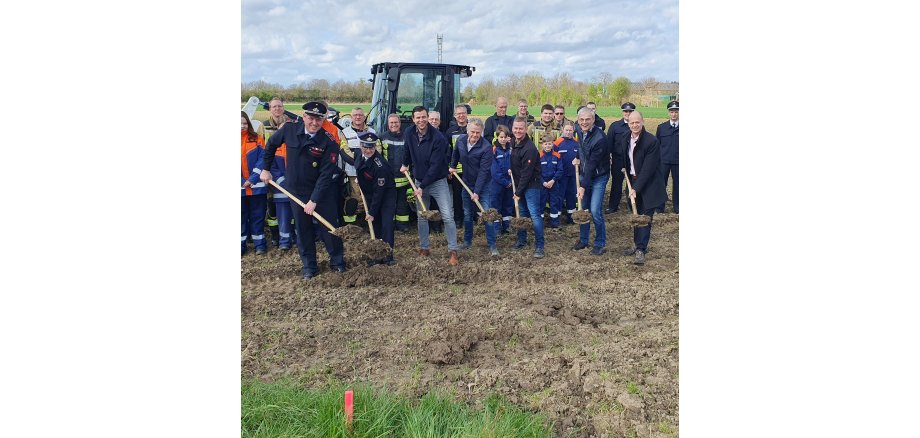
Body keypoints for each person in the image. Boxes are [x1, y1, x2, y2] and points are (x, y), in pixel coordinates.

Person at [259, 101, 347, 279]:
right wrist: (265, 168)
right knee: (302, 229)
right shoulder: (289, 130)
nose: (314, 123)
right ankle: (309, 266)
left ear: (324, 120)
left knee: (329, 228)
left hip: (322, 193)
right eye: (311, 118)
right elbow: (271, 146)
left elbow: (325, 174)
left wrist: (314, 201)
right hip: (296, 192)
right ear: (304, 117)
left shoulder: (329, 141)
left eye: (319, 120)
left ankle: (337, 261)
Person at [400, 106, 460, 266]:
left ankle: (453, 250)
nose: (421, 120)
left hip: (437, 182)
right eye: (418, 117)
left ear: (427, 118)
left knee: (447, 215)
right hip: (419, 180)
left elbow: (435, 166)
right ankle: (424, 247)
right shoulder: (409, 133)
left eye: (423, 117)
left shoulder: (438, 138)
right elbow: (407, 150)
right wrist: (405, 164)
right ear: (413, 119)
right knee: (422, 216)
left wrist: (422, 186)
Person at [341, 132, 397, 266]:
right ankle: (377, 254)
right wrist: (362, 181)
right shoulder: (359, 154)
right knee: (375, 225)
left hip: (385, 196)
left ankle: (388, 256)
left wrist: (371, 212)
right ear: (360, 146)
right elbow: (359, 168)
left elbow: (379, 192)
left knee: (386, 225)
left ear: (375, 147)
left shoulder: (380, 166)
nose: (368, 150)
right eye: (365, 147)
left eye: (371, 148)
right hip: (371, 194)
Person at [623, 110, 667, 265]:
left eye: (637, 122)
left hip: (648, 185)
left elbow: (648, 169)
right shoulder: (626, 139)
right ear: (628, 123)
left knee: (645, 218)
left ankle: (641, 249)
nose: (635, 125)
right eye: (632, 123)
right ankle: (637, 244)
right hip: (632, 183)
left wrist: (636, 188)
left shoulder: (651, 141)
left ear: (642, 122)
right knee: (636, 216)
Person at [450, 118, 497, 254]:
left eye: (478, 132)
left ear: (481, 132)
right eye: (473, 132)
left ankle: (492, 245)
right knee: (467, 214)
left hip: (483, 186)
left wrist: (477, 191)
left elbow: (484, 172)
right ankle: (467, 241)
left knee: (486, 214)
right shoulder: (461, 141)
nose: (475, 135)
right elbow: (455, 153)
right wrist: (453, 166)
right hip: (467, 183)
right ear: (467, 130)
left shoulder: (486, 147)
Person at [572, 107, 609, 256]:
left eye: (588, 119)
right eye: (582, 120)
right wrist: (577, 157)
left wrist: (583, 186)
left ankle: (600, 243)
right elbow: (581, 146)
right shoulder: (579, 130)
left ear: (593, 120)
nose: (584, 122)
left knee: (595, 211)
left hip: (599, 176)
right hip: (584, 173)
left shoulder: (600, 138)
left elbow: (593, 165)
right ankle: (584, 239)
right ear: (578, 120)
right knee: (584, 209)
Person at [510, 117, 545, 258]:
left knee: (535, 215)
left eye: (521, 128)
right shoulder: (513, 142)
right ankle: (522, 240)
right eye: (516, 128)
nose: (518, 131)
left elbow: (527, 173)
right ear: (513, 129)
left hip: (531, 186)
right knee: (522, 214)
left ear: (526, 129)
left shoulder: (529, 148)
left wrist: (518, 193)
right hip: (520, 184)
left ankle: (539, 246)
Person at [261, 97, 293, 246]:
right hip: (272, 174)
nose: (277, 109)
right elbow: (263, 151)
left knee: (292, 209)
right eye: (274, 106)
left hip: (290, 177)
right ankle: (277, 236)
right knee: (272, 207)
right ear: (269, 108)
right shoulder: (264, 126)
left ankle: (291, 235)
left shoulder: (290, 124)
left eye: (280, 106)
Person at [339, 107, 376, 225]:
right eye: (355, 115)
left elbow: (377, 150)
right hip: (352, 172)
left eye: (360, 115)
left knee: (367, 197)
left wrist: (366, 164)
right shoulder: (345, 132)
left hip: (369, 171)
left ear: (364, 117)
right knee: (353, 198)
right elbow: (344, 150)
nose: (358, 117)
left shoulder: (372, 131)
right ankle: (352, 224)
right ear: (351, 117)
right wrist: (357, 164)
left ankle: (366, 222)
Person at [241, 111, 268, 256]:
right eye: (239, 123)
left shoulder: (257, 139)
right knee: (240, 217)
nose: (242, 126)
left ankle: (260, 244)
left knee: (258, 216)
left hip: (256, 187)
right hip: (240, 188)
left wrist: (252, 179)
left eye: (245, 123)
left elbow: (263, 159)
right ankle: (240, 245)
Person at [379, 113, 411, 231]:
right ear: (388, 124)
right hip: (389, 178)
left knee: (402, 203)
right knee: (389, 204)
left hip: (403, 178)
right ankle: (389, 225)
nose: (394, 125)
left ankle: (402, 225)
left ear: (400, 123)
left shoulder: (407, 137)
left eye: (396, 122)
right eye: (391, 123)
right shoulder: (382, 137)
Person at [605, 102, 635, 214]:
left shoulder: (636, 125)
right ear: (623, 112)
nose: (628, 113)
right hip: (618, 160)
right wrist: (609, 157)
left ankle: (632, 205)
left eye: (630, 111)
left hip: (633, 160)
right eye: (625, 111)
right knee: (616, 184)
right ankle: (613, 206)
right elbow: (609, 144)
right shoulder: (615, 126)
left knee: (632, 184)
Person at [445, 104, 469, 231]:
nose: (461, 115)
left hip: (471, 170)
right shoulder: (450, 132)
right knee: (458, 196)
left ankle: (471, 217)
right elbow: (447, 152)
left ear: (467, 114)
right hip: (456, 171)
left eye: (463, 113)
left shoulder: (473, 128)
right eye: (458, 113)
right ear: (455, 116)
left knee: (472, 193)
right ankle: (458, 219)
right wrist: (450, 168)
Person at [489, 125, 515, 238]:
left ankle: (507, 226)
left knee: (508, 205)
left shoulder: (511, 149)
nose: (503, 139)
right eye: (501, 137)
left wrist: (511, 180)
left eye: (505, 137)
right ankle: (496, 229)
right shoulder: (494, 150)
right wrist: (505, 182)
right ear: (497, 137)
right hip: (497, 184)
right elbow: (494, 171)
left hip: (510, 183)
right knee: (496, 205)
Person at [553, 121, 579, 224]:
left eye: (570, 130)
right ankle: (557, 217)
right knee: (559, 196)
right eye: (566, 130)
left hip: (573, 175)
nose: (568, 132)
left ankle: (571, 217)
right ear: (562, 130)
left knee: (572, 195)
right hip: (561, 176)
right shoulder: (557, 143)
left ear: (573, 130)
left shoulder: (576, 142)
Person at [656, 100, 679, 214]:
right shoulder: (662, 127)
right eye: (671, 112)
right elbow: (657, 144)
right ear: (668, 113)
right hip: (664, 161)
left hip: (678, 161)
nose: (674, 114)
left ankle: (677, 207)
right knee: (661, 184)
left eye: (676, 111)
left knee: (678, 184)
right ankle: (660, 207)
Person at [539, 134, 564, 228]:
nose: (547, 146)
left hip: (554, 183)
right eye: (545, 144)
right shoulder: (539, 155)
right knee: (541, 202)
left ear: (553, 144)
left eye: (549, 144)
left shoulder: (557, 156)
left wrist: (553, 180)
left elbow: (560, 170)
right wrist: (543, 182)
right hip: (543, 184)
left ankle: (555, 222)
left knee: (554, 202)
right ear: (542, 145)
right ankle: (540, 222)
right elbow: (536, 171)